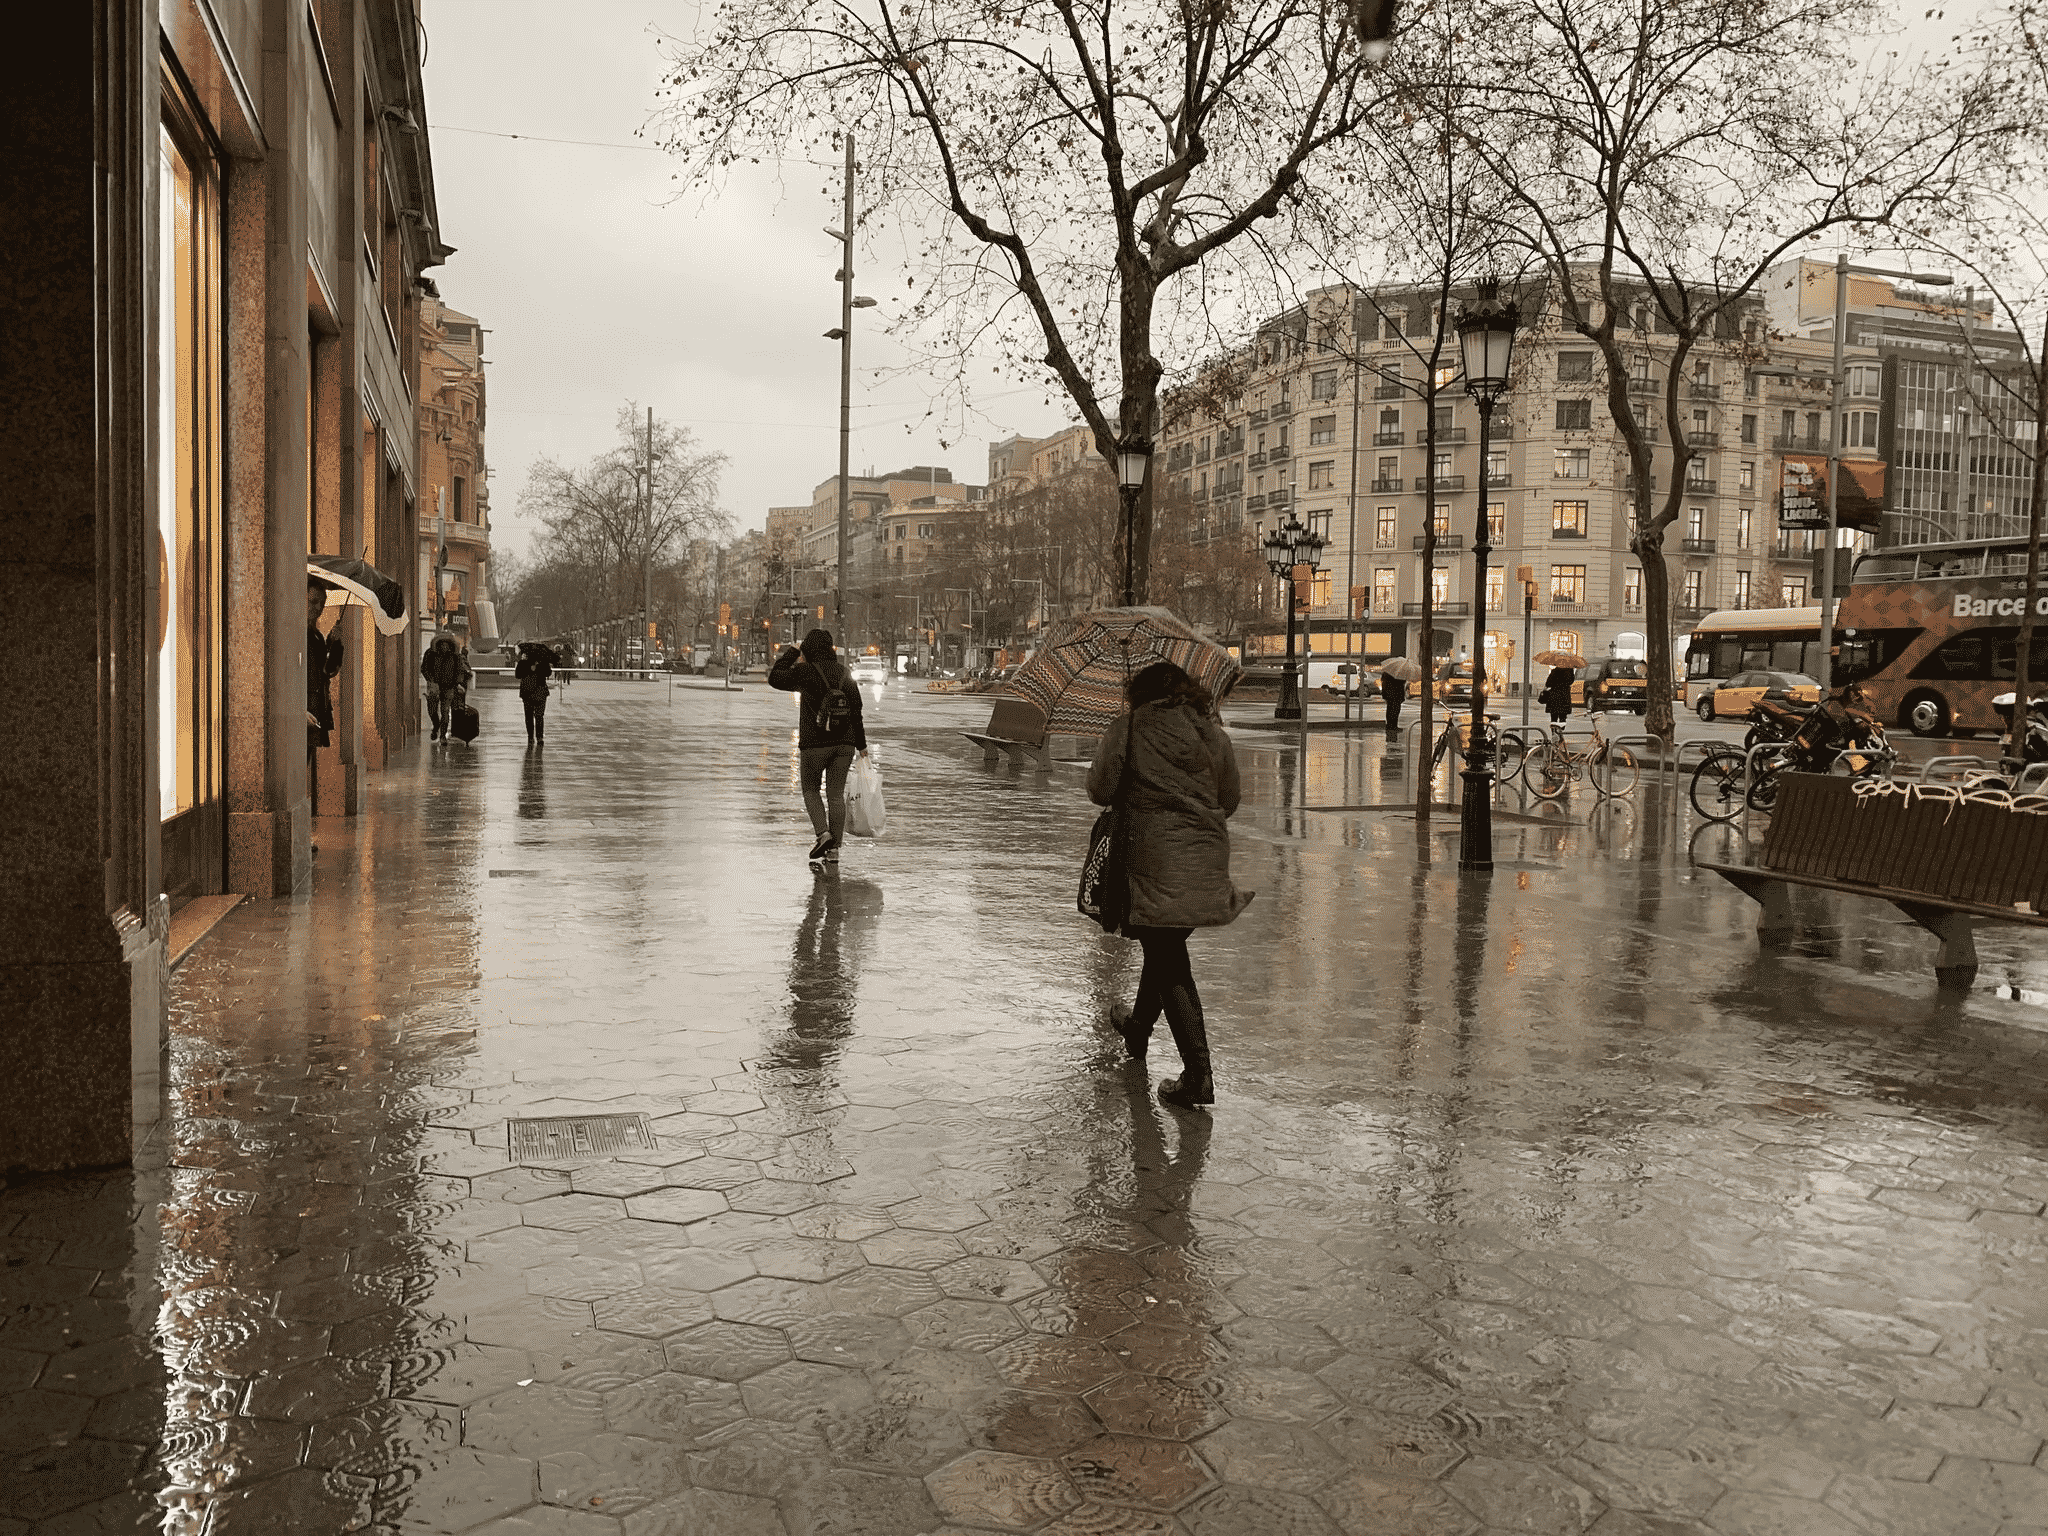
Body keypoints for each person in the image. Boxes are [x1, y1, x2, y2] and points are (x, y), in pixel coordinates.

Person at [1087, 661, 1254, 1110]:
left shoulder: (1129, 726)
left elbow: (1099, 790)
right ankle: (1139, 1027)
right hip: (1206, 856)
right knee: (1164, 948)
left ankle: (1198, 1075)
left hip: (1151, 857)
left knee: (1168, 958)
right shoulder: (1212, 732)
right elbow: (1230, 800)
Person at [769, 628, 868, 864]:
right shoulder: (845, 673)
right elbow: (856, 712)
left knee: (811, 790)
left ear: (808, 649)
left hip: (814, 743)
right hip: (844, 745)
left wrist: (792, 651)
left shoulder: (805, 672)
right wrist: (861, 745)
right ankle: (834, 851)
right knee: (835, 795)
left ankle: (823, 834)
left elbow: (775, 677)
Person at [306, 577, 344, 777]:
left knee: (307, 759)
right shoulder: (295, 632)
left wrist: (333, 643)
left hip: (315, 708)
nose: (319, 607)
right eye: (313, 601)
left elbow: (328, 670)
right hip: (303, 709)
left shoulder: (316, 635)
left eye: (322, 602)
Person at [421, 634, 473, 742]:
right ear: (439, 644)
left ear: (450, 645)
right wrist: (430, 680)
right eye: (442, 644)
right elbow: (424, 668)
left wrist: (457, 683)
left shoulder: (455, 656)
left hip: (449, 687)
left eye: (447, 645)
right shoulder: (430, 654)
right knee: (432, 710)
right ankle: (436, 727)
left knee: (445, 712)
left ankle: (443, 736)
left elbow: (459, 671)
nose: (444, 647)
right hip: (434, 686)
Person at [515, 643, 554, 746]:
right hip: (531, 693)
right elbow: (518, 674)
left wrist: (537, 667)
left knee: (537, 716)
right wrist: (530, 668)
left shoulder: (540, 663)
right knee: (534, 716)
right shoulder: (523, 663)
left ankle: (536, 737)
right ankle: (534, 736)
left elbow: (547, 673)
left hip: (535, 692)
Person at [1378, 667, 1409, 736]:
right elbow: (1400, 683)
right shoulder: (1397, 675)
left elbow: (1384, 684)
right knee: (1395, 711)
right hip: (1395, 695)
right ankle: (1393, 726)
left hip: (1390, 695)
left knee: (1390, 710)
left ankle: (1390, 725)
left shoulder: (1386, 673)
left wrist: (1384, 695)